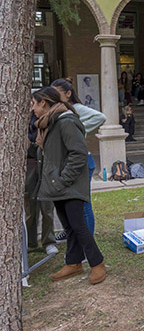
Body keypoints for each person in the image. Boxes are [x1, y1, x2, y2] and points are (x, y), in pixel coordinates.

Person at [32, 87, 106, 284]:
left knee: (78, 225)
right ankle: (73, 263)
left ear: (44, 103)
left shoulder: (65, 121)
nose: (32, 109)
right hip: (57, 184)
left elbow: (78, 153)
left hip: (68, 184)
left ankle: (97, 263)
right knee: (69, 226)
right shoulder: (48, 124)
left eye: (34, 104)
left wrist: (63, 179)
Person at [52, 78, 107, 239]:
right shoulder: (59, 110)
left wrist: (78, 129)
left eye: (57, 93)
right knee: (67, 202)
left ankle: (87, 239)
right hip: (66, 162)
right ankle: (69, 231)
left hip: (82, 161)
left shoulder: (77, 108)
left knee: (83, 203)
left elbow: (100, 117)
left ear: (68, 94)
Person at [25, 111, 58, 255]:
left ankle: (48, 241)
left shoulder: (44, 120)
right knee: (30, 209)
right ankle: (30, 243)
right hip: (28, 167)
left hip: (45, 165)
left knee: (47, 208)